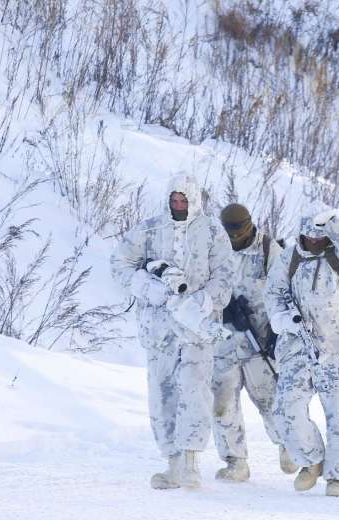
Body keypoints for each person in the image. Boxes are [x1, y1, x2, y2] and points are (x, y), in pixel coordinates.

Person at [110, 172, 233, 490]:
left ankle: (191, 462)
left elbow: (225, 275)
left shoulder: (212, 232)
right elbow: (120, 262)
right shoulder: (150, 229)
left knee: (195, 392)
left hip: (197, 329)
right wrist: (147, 287)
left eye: (184, 200)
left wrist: (204, 300)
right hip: (159, 328)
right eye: (174, 200)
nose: (179, 205)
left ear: (195, 201)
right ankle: (173, 464)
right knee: (162, 394)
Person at [264, 206, 339, 497]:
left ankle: (338, 477)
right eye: (310, 237)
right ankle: (312, 461)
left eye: (320, 237)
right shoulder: (290, 257)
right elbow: (273, 295)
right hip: (298, 346)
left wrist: (335, 222)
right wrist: (286, 320)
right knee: (285, 409)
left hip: (337, 347)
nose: (314, 242)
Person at [212, 203, 298, 482]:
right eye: (229, 230)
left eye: (239, 229)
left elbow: (286, 291)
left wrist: (276, 331)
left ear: (249, 224)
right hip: (223, 343)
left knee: (269, 399)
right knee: (222, 403)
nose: (234, 235)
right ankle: (236, 462)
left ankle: (288, 446)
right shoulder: (214, 249)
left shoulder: (268, 250)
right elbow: (200, 285)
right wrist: (220, 308)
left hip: (259, 341)